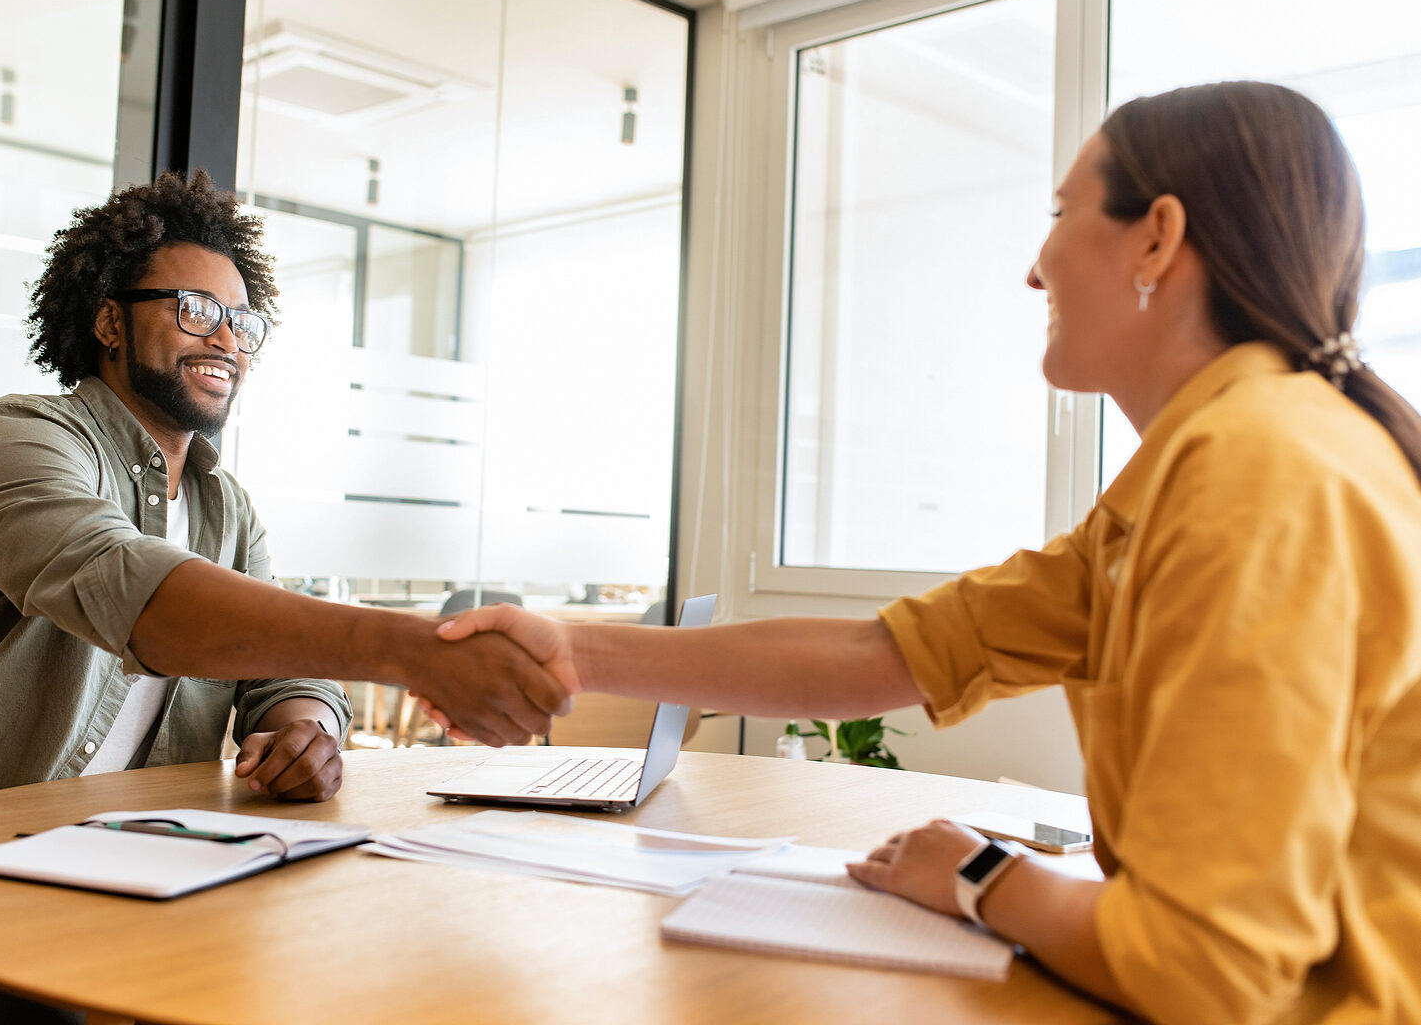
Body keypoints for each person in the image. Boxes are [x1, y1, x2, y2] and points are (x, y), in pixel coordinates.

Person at [436, 81, 1421, 1025]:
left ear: (1157, 236)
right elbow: (884, 653)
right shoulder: (1191, 477)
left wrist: (980, 875)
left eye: (1060, 211)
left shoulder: (1257, 473)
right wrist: (570, 643)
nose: (1035, 268)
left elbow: (1205, 971)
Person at [0, 169, 569, 815]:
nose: (226, 339)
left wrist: (304, 730)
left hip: (124, 852)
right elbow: (137, 595)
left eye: (243, 323)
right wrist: (409, 649)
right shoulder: (10, 441)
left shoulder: (228, 509)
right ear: (110, 324)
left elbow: (284, 673)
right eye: (195, 311)